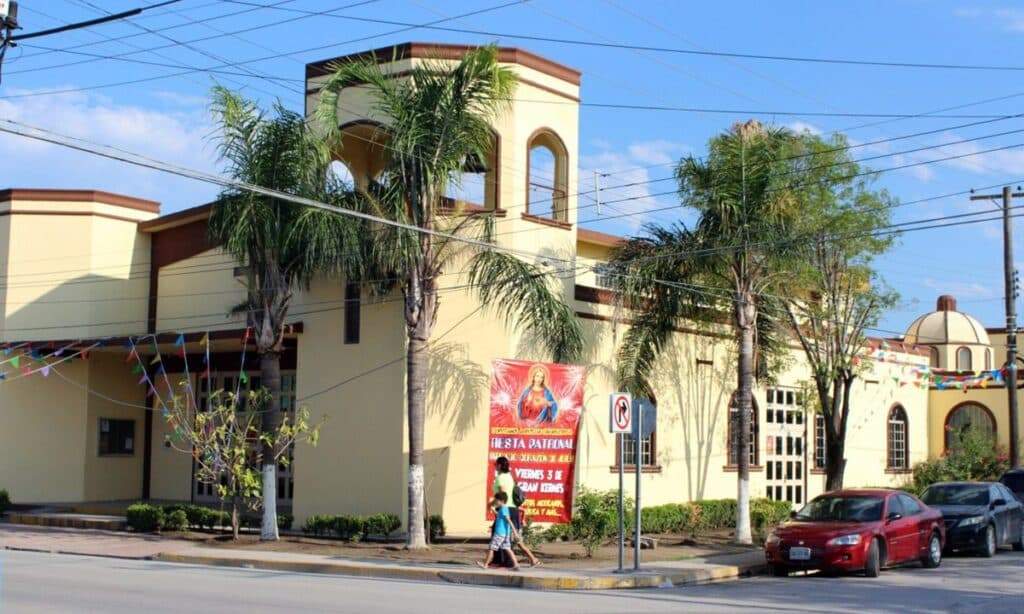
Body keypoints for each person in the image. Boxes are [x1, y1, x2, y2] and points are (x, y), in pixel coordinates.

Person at [492, 457, 541, 568]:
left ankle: (503, 562)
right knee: (513, 538)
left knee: (501, 535)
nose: (495, 466)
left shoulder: (500, 478)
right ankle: (532, 559)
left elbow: (502, 495)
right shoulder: (510, 477)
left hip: (506, 509)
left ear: (499, 465)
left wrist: (493, 505)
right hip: (512, 509)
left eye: (496, 464)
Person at [478, 492, 520, 571]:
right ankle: (516, 565)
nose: (495, 502)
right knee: (507, 548)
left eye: (496, 500)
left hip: (500, 533)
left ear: (502, 500)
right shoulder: (504, 509)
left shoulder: (503, 508)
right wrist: (494, 511)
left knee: (491, 548)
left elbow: (508, 520)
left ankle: (486, 565)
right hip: (505, 533)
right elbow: (500, 517)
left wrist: (515, 532)